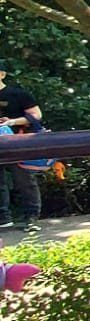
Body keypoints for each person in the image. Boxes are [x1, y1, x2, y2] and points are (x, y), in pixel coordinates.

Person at [0, 58, 44, 230]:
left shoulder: (17, 94)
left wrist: (12, 122)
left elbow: (36, 115)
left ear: (2, 74)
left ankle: (31, 217)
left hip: (18, 141)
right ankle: (3, 219)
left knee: (24, 179)